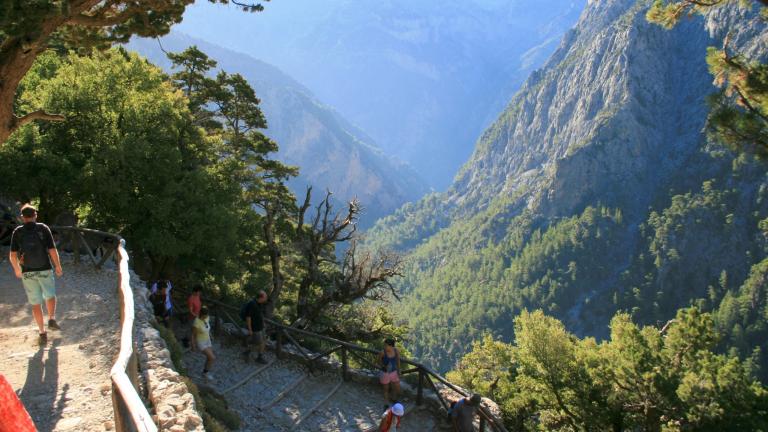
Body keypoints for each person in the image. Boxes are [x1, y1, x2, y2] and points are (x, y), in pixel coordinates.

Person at [8, 204, 63, 344]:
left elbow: (13, 255)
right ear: (35, 215)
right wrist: (57, 266)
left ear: (22, 217)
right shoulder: (43, 228)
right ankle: (51, 319)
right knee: (50, 295)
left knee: (35, 303)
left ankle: (42, 333)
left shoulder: (18, 232)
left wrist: (16, 269)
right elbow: (52, 250)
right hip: (44, 268)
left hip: (27, 271)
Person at [241, 290, 268, 364]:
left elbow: (259, 315)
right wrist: (250, 329)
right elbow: (248, 317)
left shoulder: (259, 303)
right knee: (259, 342)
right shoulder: (252, 304)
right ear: (261, 297)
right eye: (265, 297)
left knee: (262, 341)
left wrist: (263, 323)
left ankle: (249, 352)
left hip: (260, 327)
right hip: (255, 328)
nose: (266, 298)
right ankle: (258, 356)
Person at [192, 306, 216, 380]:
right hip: (201, 342)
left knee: (209, 358)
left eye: (207, 315)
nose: (207, 316)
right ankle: (206, 373)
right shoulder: (196, 322)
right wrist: (193, 345)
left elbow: (207, 327)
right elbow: (193, 334)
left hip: (208, 340)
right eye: (205, 315)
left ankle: (205, 372)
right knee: (212, 358)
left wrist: (211, 335)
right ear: (202, 314)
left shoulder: (207, 318)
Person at [378, 338, 401, 403]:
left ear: (391, 346)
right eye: (384, 345)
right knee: (386, 389)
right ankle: (386, 403)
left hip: (394, 372)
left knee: (396, 387)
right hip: (385, 372)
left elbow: (398, 361)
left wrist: (399, 370)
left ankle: (394, 398)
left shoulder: (396, 351)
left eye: (386, 345)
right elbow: (379, 361)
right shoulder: (382, 352)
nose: (384, 347)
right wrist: (384, 366)